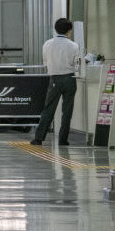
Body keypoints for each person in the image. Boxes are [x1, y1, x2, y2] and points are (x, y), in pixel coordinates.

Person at [32, 17, 83, 146]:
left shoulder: (47, 44)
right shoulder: (74, 45)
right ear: (69, 30)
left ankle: (38, 138)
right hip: (70, 79)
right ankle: (63, 139)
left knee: (48, 108)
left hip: (54, 79)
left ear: (56, 29)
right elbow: (77, 64)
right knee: (67, 110)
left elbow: (45, 63)